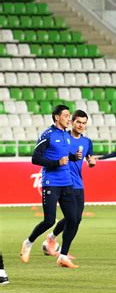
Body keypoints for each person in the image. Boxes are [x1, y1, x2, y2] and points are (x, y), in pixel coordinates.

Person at [21, 105, 81, 268]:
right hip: (51, 183)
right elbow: (35, 158)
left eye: (70, 116)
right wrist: (56, 163)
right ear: (56, 117)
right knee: (49, 220)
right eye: (67, 116)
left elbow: (63, 156)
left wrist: (73, 157)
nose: (69, 119)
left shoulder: (66, 136)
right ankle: (28, 242)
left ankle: (62, 256)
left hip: (67, 183)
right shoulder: (47, 135)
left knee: (73, 219)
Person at [44, 110, 96, 258]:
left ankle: (52, 238)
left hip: (79, 184)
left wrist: (92, 163)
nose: (81, 125)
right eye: (78, 122)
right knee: (72, 218)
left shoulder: (87, 142)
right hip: (63, 183)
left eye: (84, 123)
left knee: (75, 219)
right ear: (72, 122)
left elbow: (90, 160)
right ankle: (62, 253)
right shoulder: (62, 136)